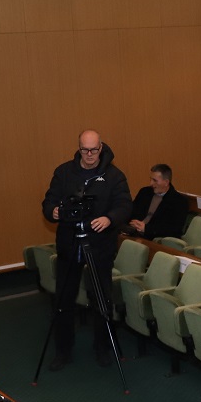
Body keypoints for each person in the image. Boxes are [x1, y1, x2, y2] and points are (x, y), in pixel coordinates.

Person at [42, 130, 133, 369]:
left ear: (101, 147)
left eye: (94, 150)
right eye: (85, 150)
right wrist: (52, 211)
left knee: (101, 298)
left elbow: (125, 205)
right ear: (79, 148)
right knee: (64, 298)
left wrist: (109, 219)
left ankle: (102, 348)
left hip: (100, 245)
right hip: (69, 243)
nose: (90, 154)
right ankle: (63, 351)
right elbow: (49, 201)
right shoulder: (64, 172)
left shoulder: (114, 176)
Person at [127, 163, 186, 240]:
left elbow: (174, 229)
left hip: (155, 239)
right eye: (151, 179)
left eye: (155, 180)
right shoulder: (144, 192)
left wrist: (146, 228)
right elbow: (132, 211)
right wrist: (134, 223)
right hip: (133, 233)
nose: (151, 183)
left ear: (166, 182)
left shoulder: (179, 201)